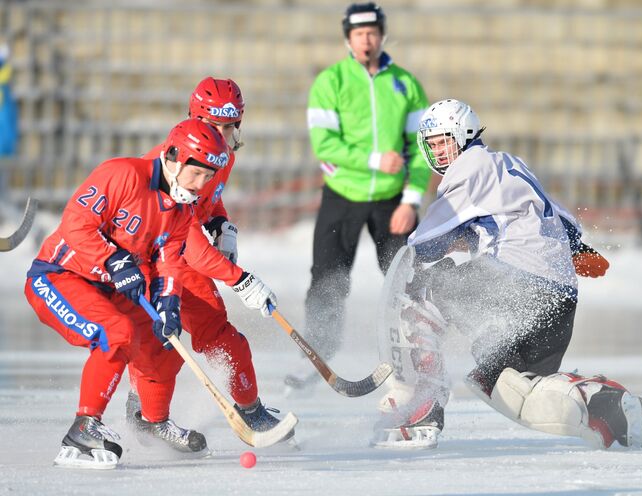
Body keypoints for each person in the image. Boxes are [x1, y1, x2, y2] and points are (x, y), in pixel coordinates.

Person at [372, 99, 642, 450]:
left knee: (421, 291)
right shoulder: (510, 164)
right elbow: (559, 219)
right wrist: (576, 251)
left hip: (516, 282)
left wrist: (422, 258)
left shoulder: (468, 167)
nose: (440, 153)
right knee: (506, 384)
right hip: (559, 297)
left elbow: (423, 245)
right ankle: (607, 407)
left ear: (465, 135)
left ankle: (418, 404)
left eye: (445, 142)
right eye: (434, 145)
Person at [23, 119, 238, 468]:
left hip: (111, 287)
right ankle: (83, 429)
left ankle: (153, 422)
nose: (201, 186)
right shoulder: (122, 174)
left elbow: (169, 262)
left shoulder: (181, 212)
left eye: (208, 178)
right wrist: (115, 261)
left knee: (166, 340)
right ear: (173, 158)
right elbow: (76, 224)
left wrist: (168, 302)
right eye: (196, 174)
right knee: (116, 333)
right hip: (60, 277)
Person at [125, 77, 294, 448]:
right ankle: (146, 410)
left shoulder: (222, 156)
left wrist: (222, 224)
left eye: (229, 127)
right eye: (213, 126)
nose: (222, 135)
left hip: (175, 252)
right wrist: (241, 280)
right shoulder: (177, 160)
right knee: (169, 342)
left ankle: (245, 408)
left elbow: (208, 201)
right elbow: (189, 244)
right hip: (152, 257)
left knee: (216, 340)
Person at [294, 2, 431, 389]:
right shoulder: (330, 82)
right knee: (327, 278)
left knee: (407, 280)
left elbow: (421, 146)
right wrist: (374, 159)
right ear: (347, 38)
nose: (366, 40)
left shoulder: (405, 84)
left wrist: (411, 200)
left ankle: (417, 351)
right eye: (358, 34)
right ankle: (318, 355)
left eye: (372, 32)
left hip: (392, 201)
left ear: (382, 34)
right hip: (343, 195)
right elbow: (325, 145)